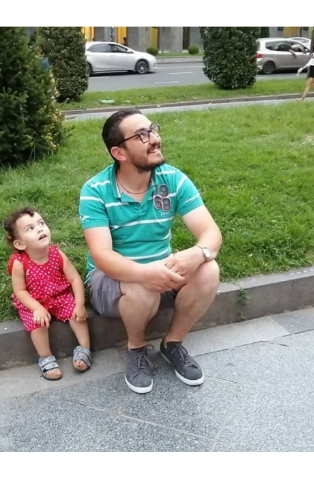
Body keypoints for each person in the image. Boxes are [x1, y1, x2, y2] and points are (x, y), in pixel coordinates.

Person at [79, 108, 222, 394]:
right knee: (140, 286)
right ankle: (136, 349)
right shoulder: (95, 190)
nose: (155, 139)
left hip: (162, 272)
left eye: (152, 130)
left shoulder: (172, 179)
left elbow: (211, 234)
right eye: (141, 135)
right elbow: (102, 256)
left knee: (209, 269)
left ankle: (173, 343)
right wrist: (145, 273)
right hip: (110, 282)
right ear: (119, 153)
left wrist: (198, 253)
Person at [3, 207, 91, 381]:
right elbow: (20, 291)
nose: (40, 229)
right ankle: (45, 356)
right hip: (33, 302)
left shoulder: (57, 255)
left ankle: (84, 348)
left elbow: (75, 279)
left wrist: (80, 304)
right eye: (30, 228)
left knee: (76, 315)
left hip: (60, 296)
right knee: (38, 323)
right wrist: (37, 308)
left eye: (41, 223)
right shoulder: (20, 263)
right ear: (20, 244)